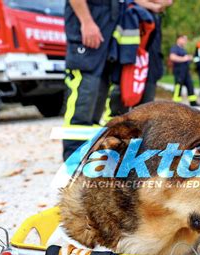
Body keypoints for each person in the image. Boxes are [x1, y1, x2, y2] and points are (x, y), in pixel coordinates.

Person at [62, 0, 169, 160]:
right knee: (85, 94)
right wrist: (87, 22)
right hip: (90, 22)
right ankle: (72, 159)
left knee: (100, 95)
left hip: (110, 25)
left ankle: (91, 156)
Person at [170, 35, 198, 106]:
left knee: (190, 86)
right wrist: (184, 58)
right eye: (184, 39)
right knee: (178, 87)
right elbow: (172, 57)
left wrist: (189, 58)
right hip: (179, 71)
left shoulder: (183, 49)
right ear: (179, 39)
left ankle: (193, 103)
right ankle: (175, 104)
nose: (185, 41)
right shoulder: (175, 48)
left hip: (186, 71)